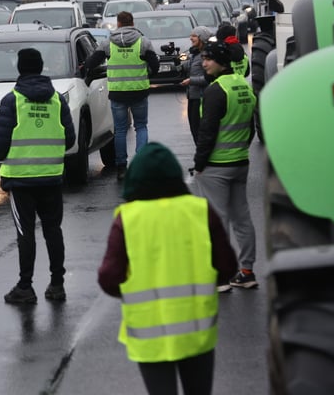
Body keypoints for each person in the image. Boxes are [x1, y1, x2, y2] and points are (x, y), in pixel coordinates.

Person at [98, 142, 237, 395]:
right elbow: (227, 266)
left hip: (149, 336)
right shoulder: (200, 211)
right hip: (197, 331)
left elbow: (109, 278)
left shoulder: (128, 218)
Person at [0, 47, 76, 304]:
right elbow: (70, 139)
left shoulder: (12, 100)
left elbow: (1, 145)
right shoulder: (57, 99)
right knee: (53, 230)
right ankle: (57, 284)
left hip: (21, 180)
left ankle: (25, 286)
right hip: (51, 176)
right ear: (41, 67)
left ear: (20, 68)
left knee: (25, 233)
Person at [194, 41, 258, 290]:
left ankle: (220, 277)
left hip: (216, 166)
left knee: (217, 222)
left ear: (221, 61)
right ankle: (246, 271)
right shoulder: (243, 85)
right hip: (240, 162)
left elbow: (206, 132)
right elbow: (250, 128)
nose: (204, 63)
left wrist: (199, 164)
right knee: (242, 219)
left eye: (208, 59)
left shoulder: (215, 90)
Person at [84, 10, 159, 180]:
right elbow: (155, 65)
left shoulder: (107, 43)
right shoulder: (143, 42)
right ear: (132, 23)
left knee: (120, 130)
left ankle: (121, 168)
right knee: (140, 126)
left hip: (118, 92)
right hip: (139, 91)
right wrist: (146, 74)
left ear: (118, 24)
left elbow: (91, 63)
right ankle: (141, 164)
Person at [180, 26, 213, 144]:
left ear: (201, 38)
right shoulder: (194, 54)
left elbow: (208, 78)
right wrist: (181, 65)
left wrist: (191, 80)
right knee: (194, 129)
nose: (191, 38)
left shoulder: (206, 56)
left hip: (201, 97)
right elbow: (191, 67)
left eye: (194, 36)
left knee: (200, 131)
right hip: (192, 96)